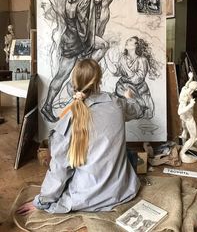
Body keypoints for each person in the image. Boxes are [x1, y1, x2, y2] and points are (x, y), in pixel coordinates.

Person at [17, 59, 142, 215]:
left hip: (85, 198)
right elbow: (136, 109)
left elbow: (59, 169)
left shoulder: (69, 118)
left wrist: (41, 201)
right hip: (124, 191)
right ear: (100, 80)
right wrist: (129, 97)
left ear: (72, 82)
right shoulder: (116, 103)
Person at [41, 0, 121, 123]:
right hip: (75, 42)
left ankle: (83, 66)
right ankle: (47, 105)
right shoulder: (82, 2)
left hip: (72, 39)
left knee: (103, 45)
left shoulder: (69, 1)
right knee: (61, 75)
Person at [105, 36, 159, 119]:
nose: (127, 40)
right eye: (128, 39)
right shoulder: (122, 58)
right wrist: (107, 58)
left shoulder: (142, 60)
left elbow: (137, 79)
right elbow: (116, 72)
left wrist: (126, 67)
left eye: (130, 40)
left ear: (136, 45)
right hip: (122, 87)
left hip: (139, 89)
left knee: (147, 114)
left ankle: (138, 106)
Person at [178, 72, 197, 163]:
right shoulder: (185, 97)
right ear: (196, 89)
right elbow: (179, 112)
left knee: (185, 131)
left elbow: (187, 85)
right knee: (193, 137)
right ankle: (183, 153)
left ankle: (184, 143)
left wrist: (190, 78)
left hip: (185, 118)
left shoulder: (184, 89)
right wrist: (190, 105)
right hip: (188, 119)